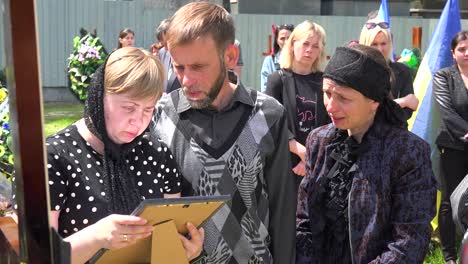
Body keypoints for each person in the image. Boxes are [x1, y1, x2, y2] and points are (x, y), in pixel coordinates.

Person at [12, 47, 204, 263]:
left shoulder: (155, 152)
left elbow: (169, 236)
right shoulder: (53, 157)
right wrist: (96, 237)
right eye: (129, 107)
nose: (138, 121)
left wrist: (186, 251)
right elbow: (38, 255)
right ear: (99, 96)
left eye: (148, 109)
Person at [153, 2, 296, 263]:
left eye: (197, 67)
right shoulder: (160, 117)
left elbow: (283, 210)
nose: (186, 80)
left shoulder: (269, 115)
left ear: (230, 56)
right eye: (179, 67)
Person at [296, 45, 436, 263]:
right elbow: (304, 221)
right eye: (327, 93)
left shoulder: (407, 152)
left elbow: (410, 240)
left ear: (374, 102)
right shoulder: (319, 141)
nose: (330, 106)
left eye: (343, 98)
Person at [265, 20, 330, 190]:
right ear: (293, 44)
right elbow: (271, 124)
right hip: (285, 165)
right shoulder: (277, 80)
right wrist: (301, 151)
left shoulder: (325, 81)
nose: (310, 50)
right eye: (305, 44)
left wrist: (310, 156)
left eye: (315, 46)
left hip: (318, 164)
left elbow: (331, 124)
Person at [433, 30, 468, 264]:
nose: (467, 53)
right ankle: (448, 256)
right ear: (453, 53)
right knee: (449, 201)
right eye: (462, 49)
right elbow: (447, 112)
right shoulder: (443, 76)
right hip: (454, 148)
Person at [359, 15, 419, 125]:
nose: (380, 49)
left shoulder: (402, 71)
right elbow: (362, 111)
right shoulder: (357, 72)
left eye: (383, 43)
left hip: (397, 133)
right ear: (365, 45)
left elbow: (407, 112)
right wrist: (402, 102)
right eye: (374, 44)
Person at [260, 24, 294, 92]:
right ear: (277, 41)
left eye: (289, 38)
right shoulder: (269, 61)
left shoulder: (299, 60)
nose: (286, 42)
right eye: (282, 38)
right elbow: (265, 89)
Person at [157, 18, 181, 93]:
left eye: (167, 43)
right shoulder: (162, 53)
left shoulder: (187, 55)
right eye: (163, 44)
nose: (166, 48)